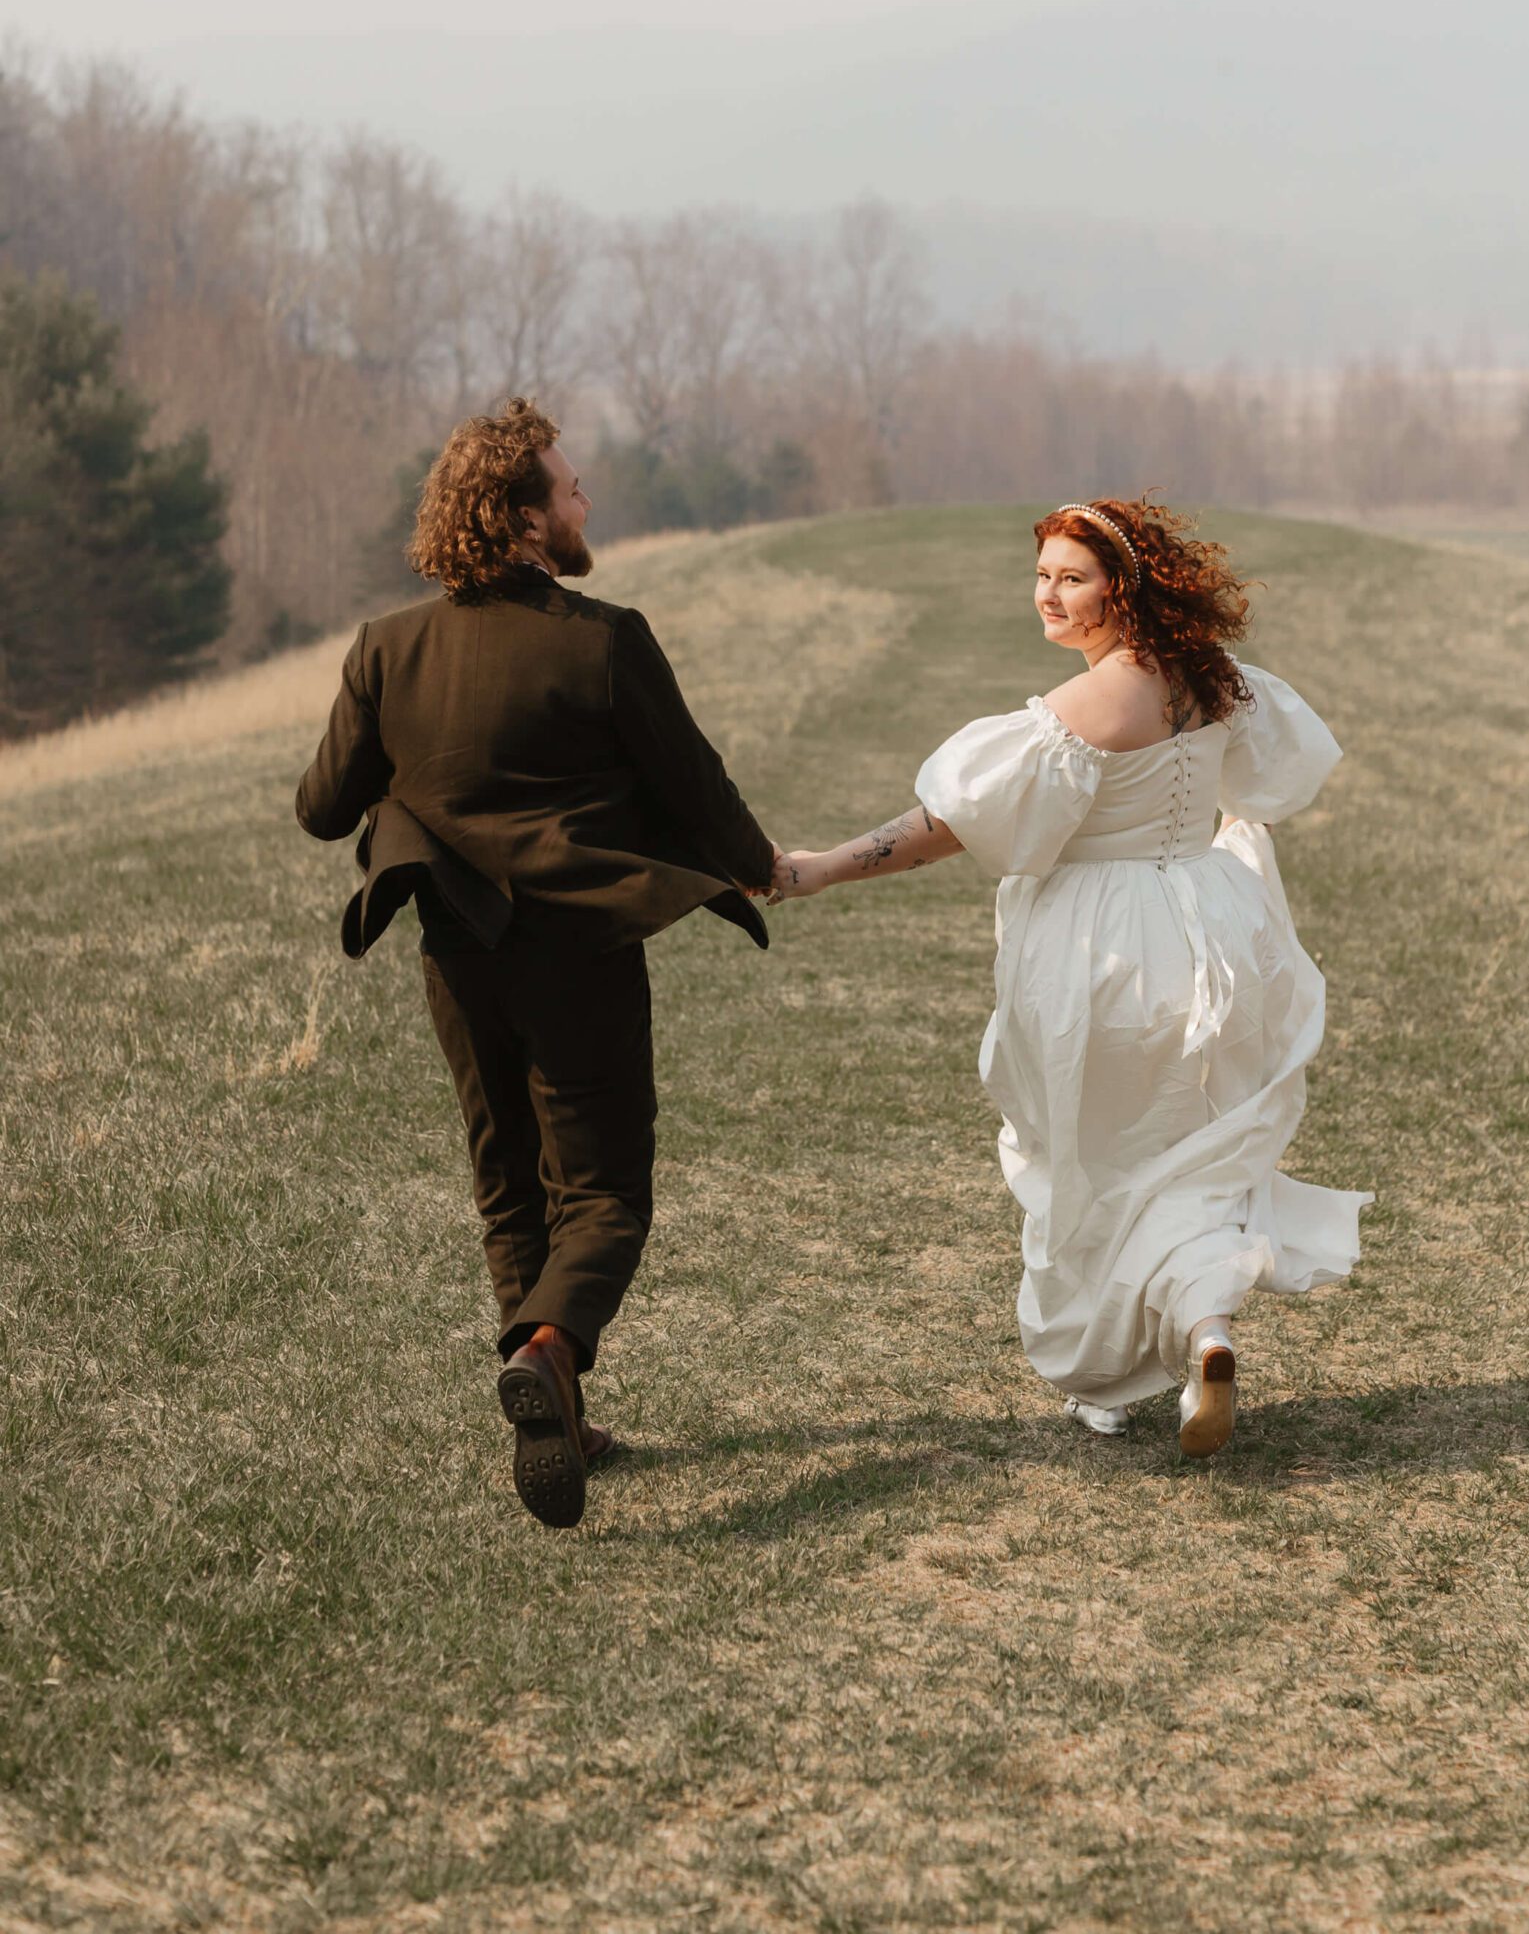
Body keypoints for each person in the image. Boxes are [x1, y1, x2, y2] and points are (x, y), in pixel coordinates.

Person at [773, 496, 1369, 1456]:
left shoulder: (1093, 701)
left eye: (1071, 578)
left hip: (1109, 951)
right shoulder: (1211, 679)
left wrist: (823, 866)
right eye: (1042, 574)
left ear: (1120, 587)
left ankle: (1105, 1381)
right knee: (1187, 1152)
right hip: (1209, 931)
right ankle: (1205, 1327)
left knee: (1093, 1165)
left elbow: (950, 827)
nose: (1048, 595)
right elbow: (1267, 780)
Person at [296, 400, 778, 1529]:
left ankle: (552, 1402)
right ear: (519, 517)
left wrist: (415, 782)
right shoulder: (602, 636)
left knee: (507, 1178)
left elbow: (322, 807)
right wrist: (755, 865)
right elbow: (694, 783)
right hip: (581, 950)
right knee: (603, 1189)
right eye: (567, 488)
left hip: (457, 958)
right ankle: (550, 1350)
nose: (583, 500)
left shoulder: (385, 647)